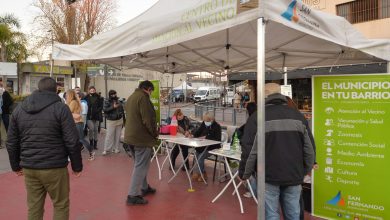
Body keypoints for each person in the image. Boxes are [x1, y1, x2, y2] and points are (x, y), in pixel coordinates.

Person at [6, 77, 82, 220]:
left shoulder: (19, 109)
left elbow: (11, 141)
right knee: (60, 204)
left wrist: (15, 166)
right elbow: (72, 141)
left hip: (30, 167)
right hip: (55, 167)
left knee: (34, 206)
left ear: (38, 89)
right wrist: (77, 166)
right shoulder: (61, 108)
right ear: (56, 90)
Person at [239, 83, 314, 220]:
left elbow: (249, 150)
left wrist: (244, 173)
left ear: (264, 96)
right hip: (294, 174)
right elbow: (309, 148)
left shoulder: (257, 118)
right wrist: (305, 169)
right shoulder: (298, 116)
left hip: (268, 175)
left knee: (271, 214)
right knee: (293, 214)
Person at [124, 80, 158, 205]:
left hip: (130, 137)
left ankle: (144, 187)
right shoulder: (143, 98)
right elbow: (148, 120)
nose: (151, 94)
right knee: (141, 166)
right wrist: (155, 133)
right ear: (148, 89)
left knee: (139, 164)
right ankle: (133, 195)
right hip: (141, 138)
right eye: (151, 91)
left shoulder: (131, 97)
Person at [191, 112, 221, 182]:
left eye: (207, 121)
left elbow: (217, 139)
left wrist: (206, 137)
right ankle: (201, 173)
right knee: (197, 154)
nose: (205, 122)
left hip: (213, 148)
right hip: (203, 146)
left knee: (200, 156)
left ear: (212, 120)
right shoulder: (204, 124)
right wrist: (192, 135)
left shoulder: (217, 126)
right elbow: (198, 132)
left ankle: (201, 174)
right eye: (204, 121)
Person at [66, 89, 95, 161]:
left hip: (76, 123)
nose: (66, 96)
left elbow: (67, 112)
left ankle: (91, 152)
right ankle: (72, 155)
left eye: (67, 94)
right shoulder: (76, 101)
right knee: (76, 140)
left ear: (70, 95)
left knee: (81, 139)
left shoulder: (73, 102)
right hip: (77, 122)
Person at [237, 102, 257, 198]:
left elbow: (247, 145)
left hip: (252, 153)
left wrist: (242, 172)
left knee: (253, 171)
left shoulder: (252, 120)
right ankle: (253, 191)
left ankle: (252, 191)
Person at [102, 90, 125, 155]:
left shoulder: (119, 100)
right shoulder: (106, 101)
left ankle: (116, 148)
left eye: (114, 94)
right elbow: (105, 110)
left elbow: (122, 110)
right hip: (111, 120)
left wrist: (124, 120)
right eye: (112, 94)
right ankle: (106, 150)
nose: (114, 95)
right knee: (109, 135)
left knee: (118, 136)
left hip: (119, 120)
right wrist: (113, 107)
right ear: (109, 95)